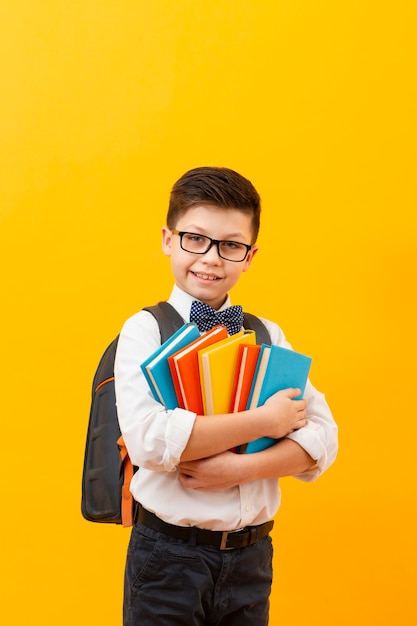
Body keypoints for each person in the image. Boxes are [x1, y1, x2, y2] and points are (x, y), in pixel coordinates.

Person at [114, 166, 338, 626]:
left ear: (250, 255)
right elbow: (151, 444)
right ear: (167, 239)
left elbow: (324, 437)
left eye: (230, 245)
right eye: (195, 238)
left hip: (251, 558)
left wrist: (241, 468)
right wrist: (265, 423)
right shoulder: (145, 331)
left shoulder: (266, 334)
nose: (212, 259)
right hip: (167, 559)